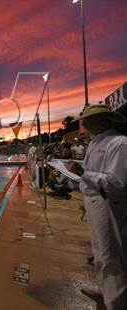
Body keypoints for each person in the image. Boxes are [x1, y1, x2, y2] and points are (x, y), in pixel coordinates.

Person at [69, 104, 127, 310]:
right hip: (94, 201)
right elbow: (93, 173)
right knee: (100, 251)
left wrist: (84, 173)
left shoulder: (119, 144)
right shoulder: (96, 142)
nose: (85, 124)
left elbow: (118, 182)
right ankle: (105, 289)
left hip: (108, 203)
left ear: (105, 120)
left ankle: (117, 303)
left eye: (90, 120)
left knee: (112, 256)